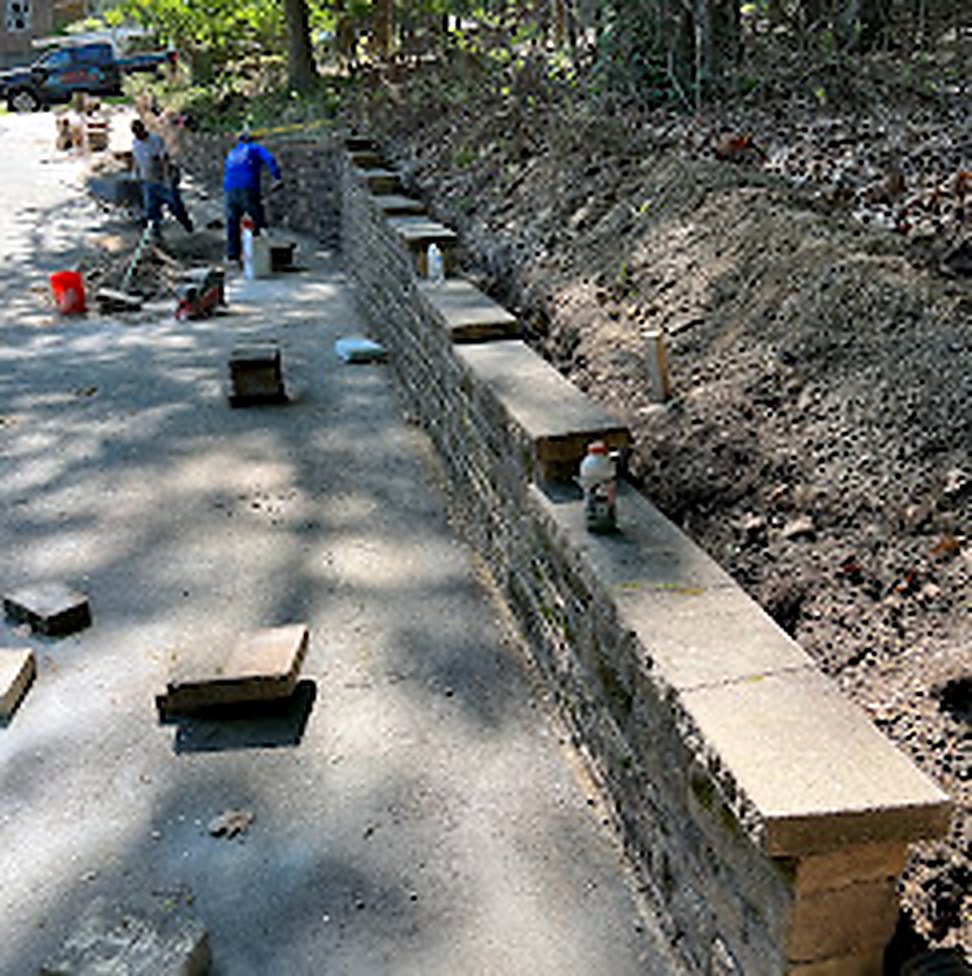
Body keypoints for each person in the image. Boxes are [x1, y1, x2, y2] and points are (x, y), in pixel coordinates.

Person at [223, 127, 282, 266]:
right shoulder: (254, 149)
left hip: (229, 190)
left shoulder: (232, 152)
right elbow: (270, 159)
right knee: (257, 220)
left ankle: (232, 257)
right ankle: (258, 256)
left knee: (232, 223)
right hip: (248, 187)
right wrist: (277, 178)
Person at [130, 118, 193, 240]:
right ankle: (156, 235)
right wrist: (136, 174)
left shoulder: (155, 140)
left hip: (162, 180)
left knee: (175, 206)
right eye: (136, 134)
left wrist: (167, 179)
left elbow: (164, 159)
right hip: (147, 181)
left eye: (139, 132)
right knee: (151, 211)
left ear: (143, 129)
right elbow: (136, 160)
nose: (138, 136)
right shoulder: (135, 143)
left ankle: (186, 223)